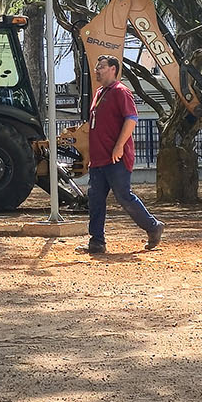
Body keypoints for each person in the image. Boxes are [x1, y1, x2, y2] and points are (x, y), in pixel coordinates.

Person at [81, 54, 163, 255]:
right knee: (95, 200)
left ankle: (153, 227)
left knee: (124, 196)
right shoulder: (99, 92)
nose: (97, 70)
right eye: (97, 67)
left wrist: (119, 146)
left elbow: (131, 119)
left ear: (113, 69)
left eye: (101, 66)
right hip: (98, 159)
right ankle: (96, 242)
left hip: (115, 158)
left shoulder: (120, 91)